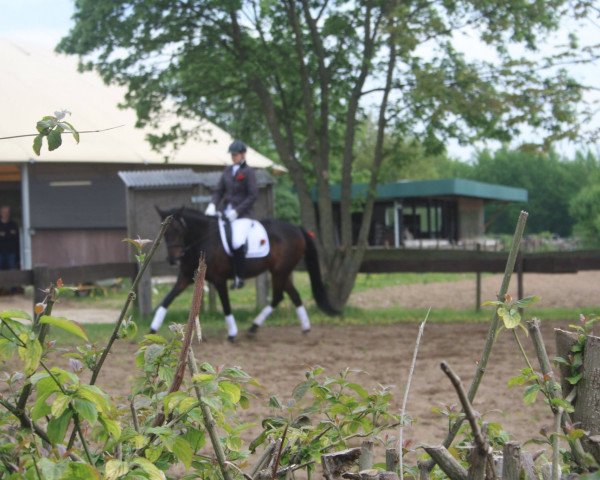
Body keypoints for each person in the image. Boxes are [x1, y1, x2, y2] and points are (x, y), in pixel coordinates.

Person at [204, 140, 258, 289]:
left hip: (243, 215)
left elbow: (253, 196)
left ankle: (239, 276)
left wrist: (237, 211)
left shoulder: (249, 172)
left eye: (235, 155)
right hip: (224, 213)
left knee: (237, 241)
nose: (233, 157)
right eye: (232, 155)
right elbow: (218, 191)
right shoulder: (227, 171)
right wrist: (212, 204)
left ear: (243, 154)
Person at [0, 206, 20, 294]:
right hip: (0, 252)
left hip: (11, 253)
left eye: (7, 212)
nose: (5, 214)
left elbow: (16, 240)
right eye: (4, 212)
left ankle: (13, 291)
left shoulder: (13, 225)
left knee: (12, 270)